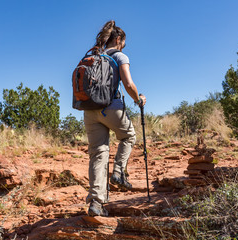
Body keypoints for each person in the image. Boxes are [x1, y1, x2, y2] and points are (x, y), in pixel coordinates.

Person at [84, 20, 146, 217]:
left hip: (90, 110)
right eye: (123, 43)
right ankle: (118, 173)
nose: (123, 46)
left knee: (98, 154)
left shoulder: (93, 55)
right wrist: (139, 99)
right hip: (111, 107)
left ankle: (96, 203)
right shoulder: (120, 56)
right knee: (128, 136)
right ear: (118, 40)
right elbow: (128, 84)